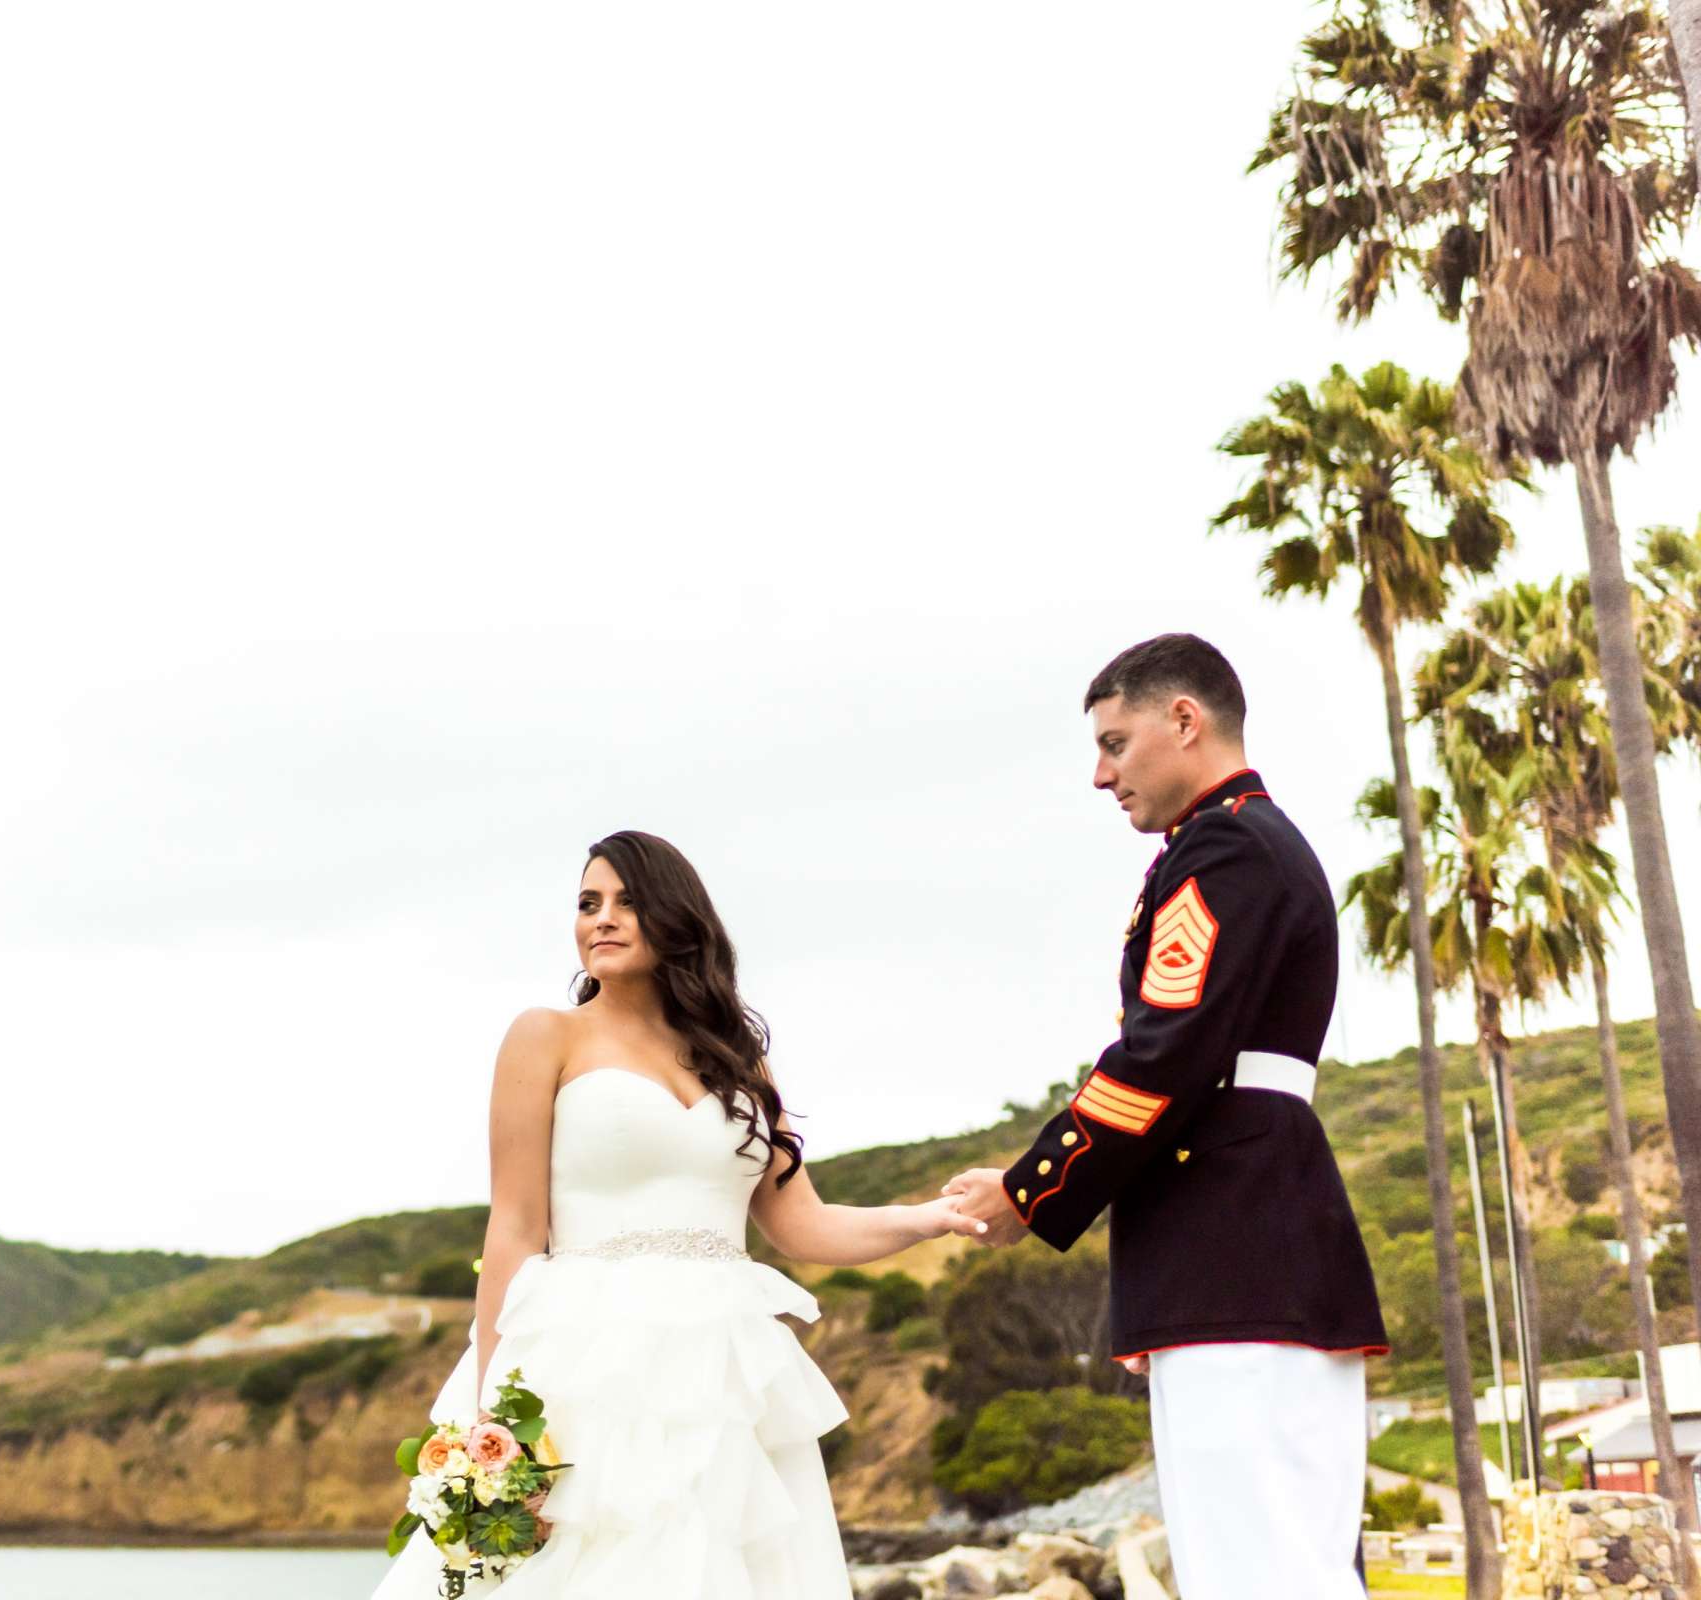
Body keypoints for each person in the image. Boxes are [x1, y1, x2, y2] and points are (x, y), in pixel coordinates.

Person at [371, 830, 986, 1599]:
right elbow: (516, 1230)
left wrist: (924, 1218)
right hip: (586, 1363)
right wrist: (488, 1429)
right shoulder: (546, 1036)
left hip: (725, 1374)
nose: (603, 919)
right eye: (589, 903)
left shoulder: (738, 1060)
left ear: (675, 917)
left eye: (627, 902)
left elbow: (801, 1226)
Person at [946, 634, 1388, 1600]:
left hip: (1233, 1238)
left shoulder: (1224, 846)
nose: (1101, 775)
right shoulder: (1245, 842)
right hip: (1254, 1233)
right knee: (1282, 1559)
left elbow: (1163, 1054)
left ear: (1184, 720)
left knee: (1256, 1563)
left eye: (1115, 743)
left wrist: (1031, 1189)